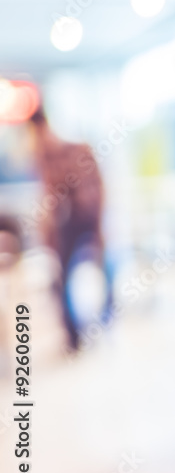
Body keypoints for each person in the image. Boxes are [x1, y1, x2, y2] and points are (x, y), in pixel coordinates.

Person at [26, 105, 109, 351]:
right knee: (65, 279)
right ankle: (77, 336)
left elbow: (57, 196)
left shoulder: (65, 151)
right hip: (73, 225)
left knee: (88, 274)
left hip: (79, 222)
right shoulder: (50, 153)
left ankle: (90, 329)